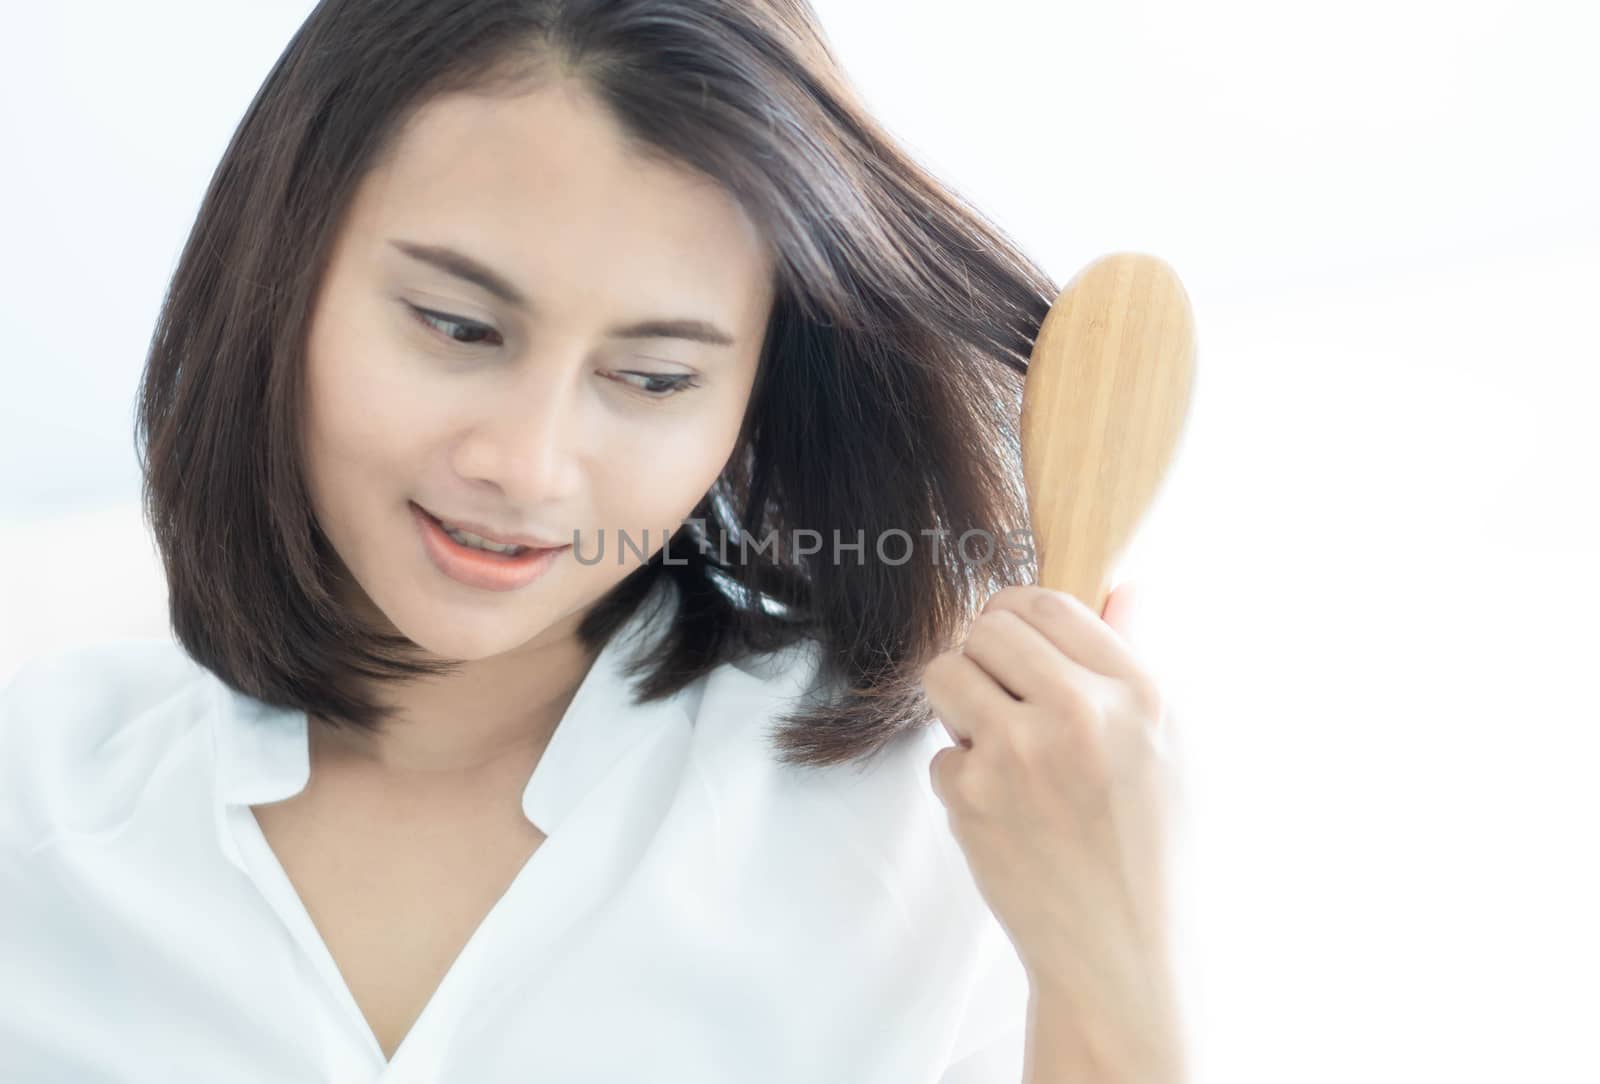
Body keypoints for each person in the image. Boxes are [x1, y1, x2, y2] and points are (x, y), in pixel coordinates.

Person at [1, 1, 1168, 1081]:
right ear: (280, 273)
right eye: (457, 326)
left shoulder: (928, 820)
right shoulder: (34, 804)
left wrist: (1106, 958)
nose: (527, 461)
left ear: (753, 394)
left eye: (653, 377)